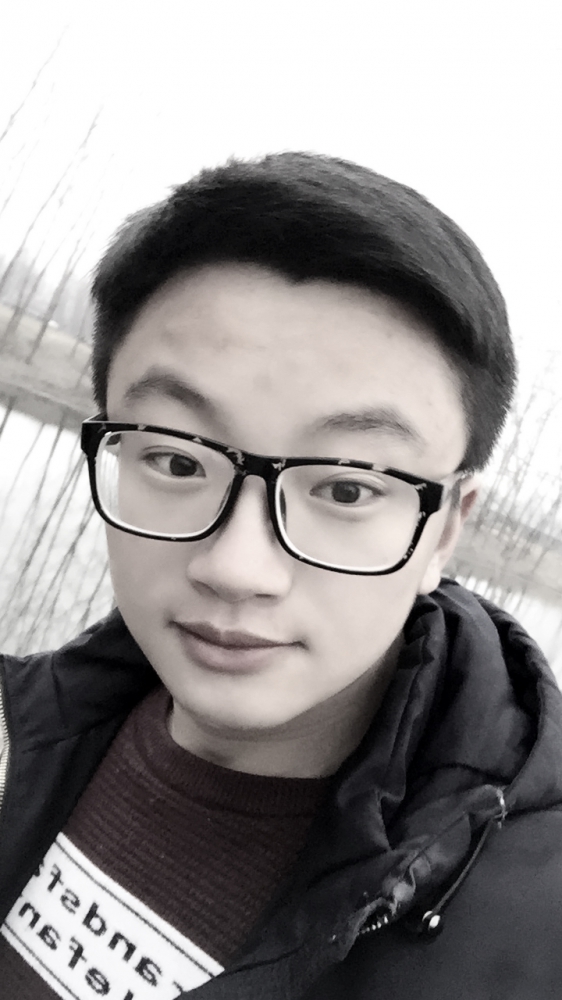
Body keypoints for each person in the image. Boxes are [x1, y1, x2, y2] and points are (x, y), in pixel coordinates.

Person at [0, 152, 561, 1000]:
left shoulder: (533, 940)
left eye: (346, 489)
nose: (236, 568)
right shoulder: (15, 741)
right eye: (176, 461)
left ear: (445, 528)